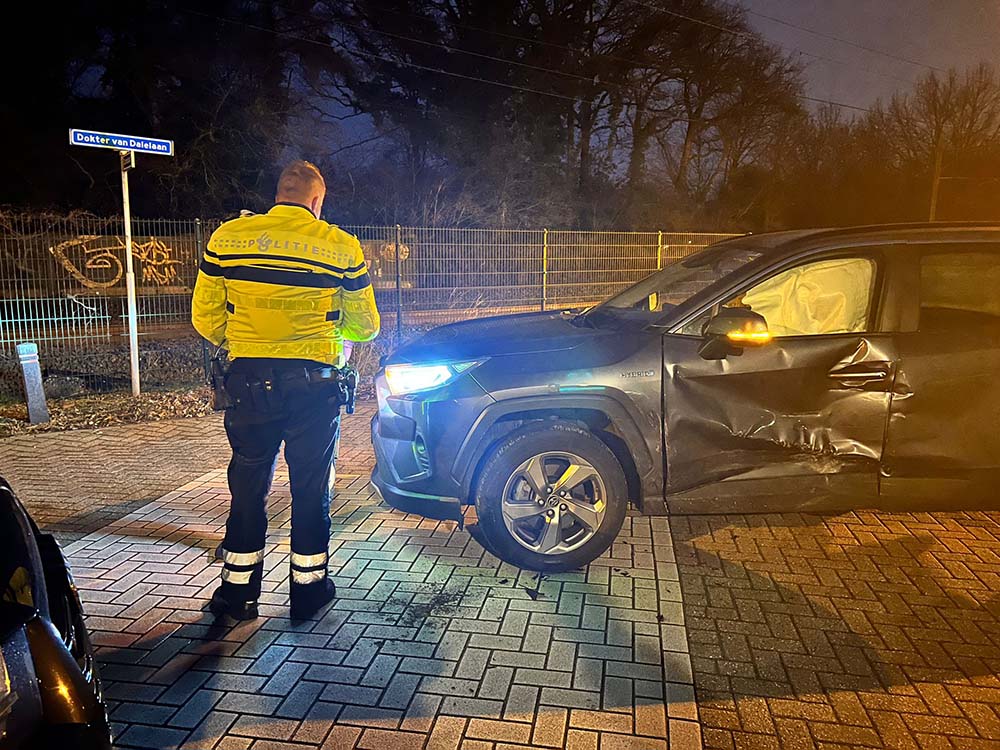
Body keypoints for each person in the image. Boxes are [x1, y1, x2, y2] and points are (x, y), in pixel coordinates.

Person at [191, 160, 380, 621]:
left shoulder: (227, 239)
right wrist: (332, 338)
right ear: (317, 201)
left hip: (249, 386)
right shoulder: (340, 246)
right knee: (311, 488)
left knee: (248, 485)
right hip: (314, 390)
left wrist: (245, 343)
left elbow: (205, 316)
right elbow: (367, 325)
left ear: (278, 195)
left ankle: (237, 596)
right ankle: (308, 592)